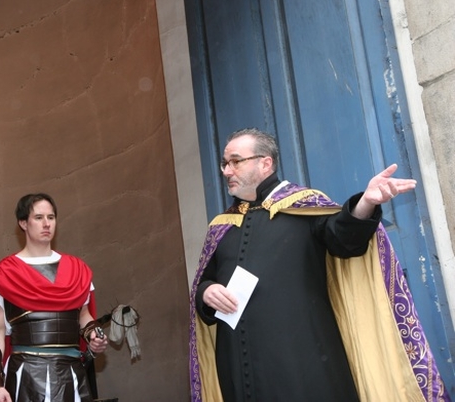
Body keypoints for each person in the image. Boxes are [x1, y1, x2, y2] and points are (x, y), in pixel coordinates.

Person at [189, 128, 451, 402]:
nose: (226, 171)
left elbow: (343, 237)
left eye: (235, 161)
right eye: (224, 163)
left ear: (264, 162)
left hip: (305, 364)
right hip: (237, 373)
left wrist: (366, 203)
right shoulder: (221, 227)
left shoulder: (304, 207)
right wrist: (206, 293)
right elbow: (203, 284)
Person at [0, 193, 108, 402]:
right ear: (23, 223)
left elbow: (83, 316)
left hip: (71, 373)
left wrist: (93, 335)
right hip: (26, 373)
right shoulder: (6, 272)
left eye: (51, 217)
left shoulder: (77, 270)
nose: (46, 224)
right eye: (38, 218)